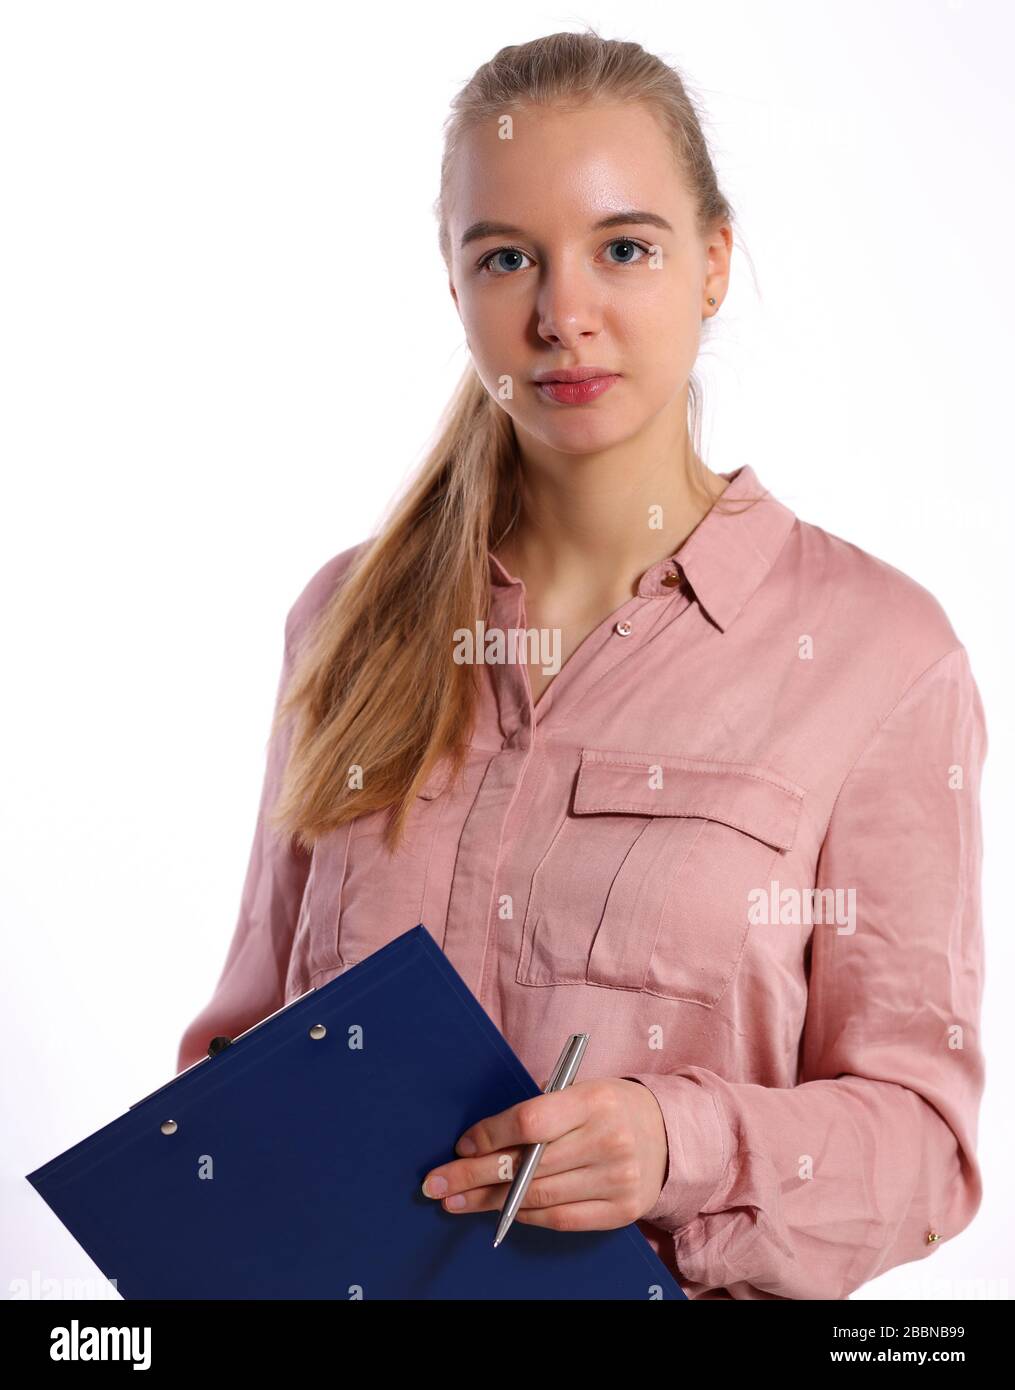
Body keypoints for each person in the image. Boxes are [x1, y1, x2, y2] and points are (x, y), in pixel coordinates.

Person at [175, 29, 987, 1300]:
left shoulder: (881, 657)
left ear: (713, 263)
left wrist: (680, 1143)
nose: (563, 315)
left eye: (624, 247)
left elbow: (926, 1152)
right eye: (507, 258)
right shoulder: (344, 617)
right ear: (454, 287)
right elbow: (240, 1053)